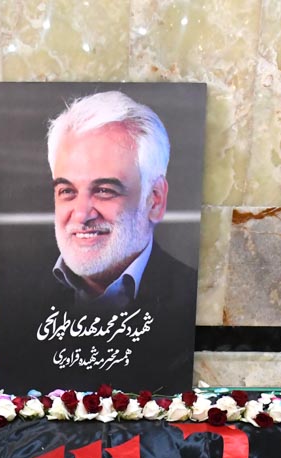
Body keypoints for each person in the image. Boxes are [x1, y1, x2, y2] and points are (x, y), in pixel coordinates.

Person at [45, 91, 198, 317]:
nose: (81, 215)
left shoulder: (196, 297)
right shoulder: (20, 298)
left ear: (155, 200)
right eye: (67, 191)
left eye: (104, 190)